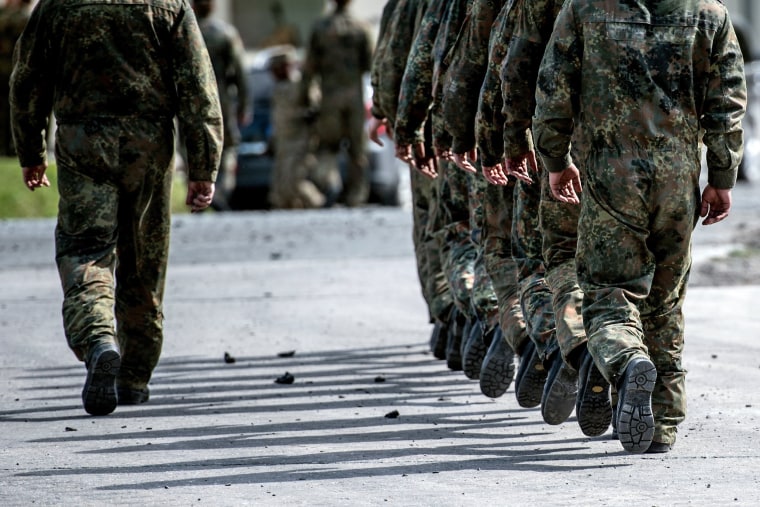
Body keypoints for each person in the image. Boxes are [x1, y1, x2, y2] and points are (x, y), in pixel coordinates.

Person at [533, 0, 746, 453]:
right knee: (666, 299)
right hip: (677, 177)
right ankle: (665, 421)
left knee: (609, 291)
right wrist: (722, 177)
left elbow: (553, 87)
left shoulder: (585, 9)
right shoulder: (710, 12)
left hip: (612, 175)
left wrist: (555, 160)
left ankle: (628, 361)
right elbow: (726, 101)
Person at [10, 0, 223, 416]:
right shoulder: (169, 4)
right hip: (149, 140)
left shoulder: (57, 6)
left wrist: (30, 150)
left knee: (85, 248)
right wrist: (203, 165)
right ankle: (134, 375)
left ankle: (98, 341)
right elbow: (198, 84)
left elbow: (28, 78)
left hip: (81, 139)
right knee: (144, 255)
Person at [301, 0, 373, 207]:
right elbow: (370, 63)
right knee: (358, 150)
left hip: (329, 97)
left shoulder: (320, 27)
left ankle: (328, 189)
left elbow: (309, 67)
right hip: (354, 97)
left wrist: (305, 98)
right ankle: (356, 196)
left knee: (327, 148)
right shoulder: (361, 27)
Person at [192, 0, 250, 211]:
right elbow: (241, 73)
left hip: (191, 99)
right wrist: (245, 105)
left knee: (193, 146)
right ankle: (221, 194)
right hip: (220, 98)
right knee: (226, 148)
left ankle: (198, 197)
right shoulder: (224, 33)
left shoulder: (185, 30)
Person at [267, 47, 327, 209]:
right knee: (279, 189)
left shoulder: (302, 85)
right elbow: (278, 118)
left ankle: (319, 205)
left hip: (300, 142)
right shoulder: (278, 88)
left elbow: (316, 111)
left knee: (294, 184)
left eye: (276, 69)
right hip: (283, 143)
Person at [0, 0, 33, 157]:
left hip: (10, 69)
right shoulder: (22, 16)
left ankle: (11, 147)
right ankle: (10, 147)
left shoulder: (20, 17)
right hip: (11, 70)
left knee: (12, 111)